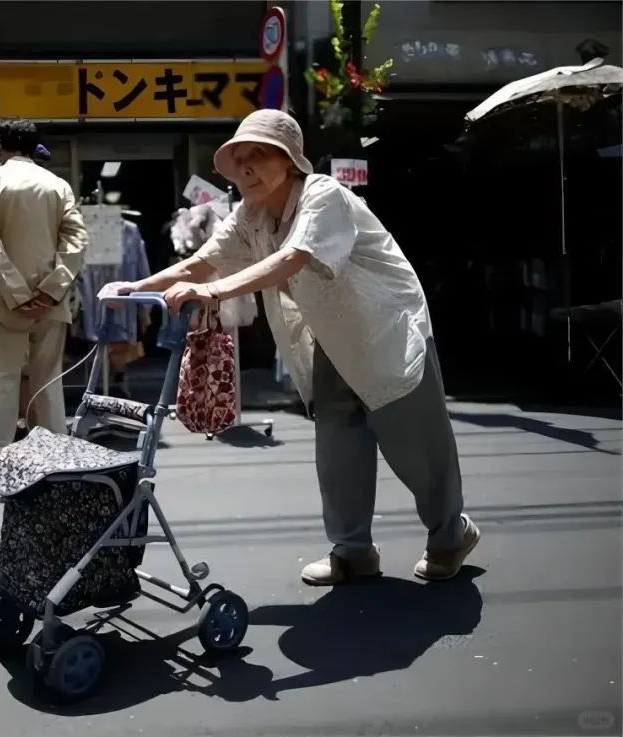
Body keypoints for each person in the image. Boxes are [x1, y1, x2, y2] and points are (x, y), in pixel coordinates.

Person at [102, 109, 479, 584]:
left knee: (416, 446)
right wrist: (136, 287)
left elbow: (293, 257)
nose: (244, 169)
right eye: (238, 160)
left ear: (289, 160)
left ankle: (451, 535)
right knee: (338, 449)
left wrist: (216, 292)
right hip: (329, 338)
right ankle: (352, 551)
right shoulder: (251, 213)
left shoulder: (324, 195)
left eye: (257, 155)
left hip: (386, 333)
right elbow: (203, 261)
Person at [0, 119, 89, 481]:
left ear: (1, 146)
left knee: (3, 381)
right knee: (48, 381)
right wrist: (52, 288)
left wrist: (16, 291)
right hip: (52, 303)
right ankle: (56, 459)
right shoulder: (58, 184)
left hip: (5, 301)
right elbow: (76, 240)